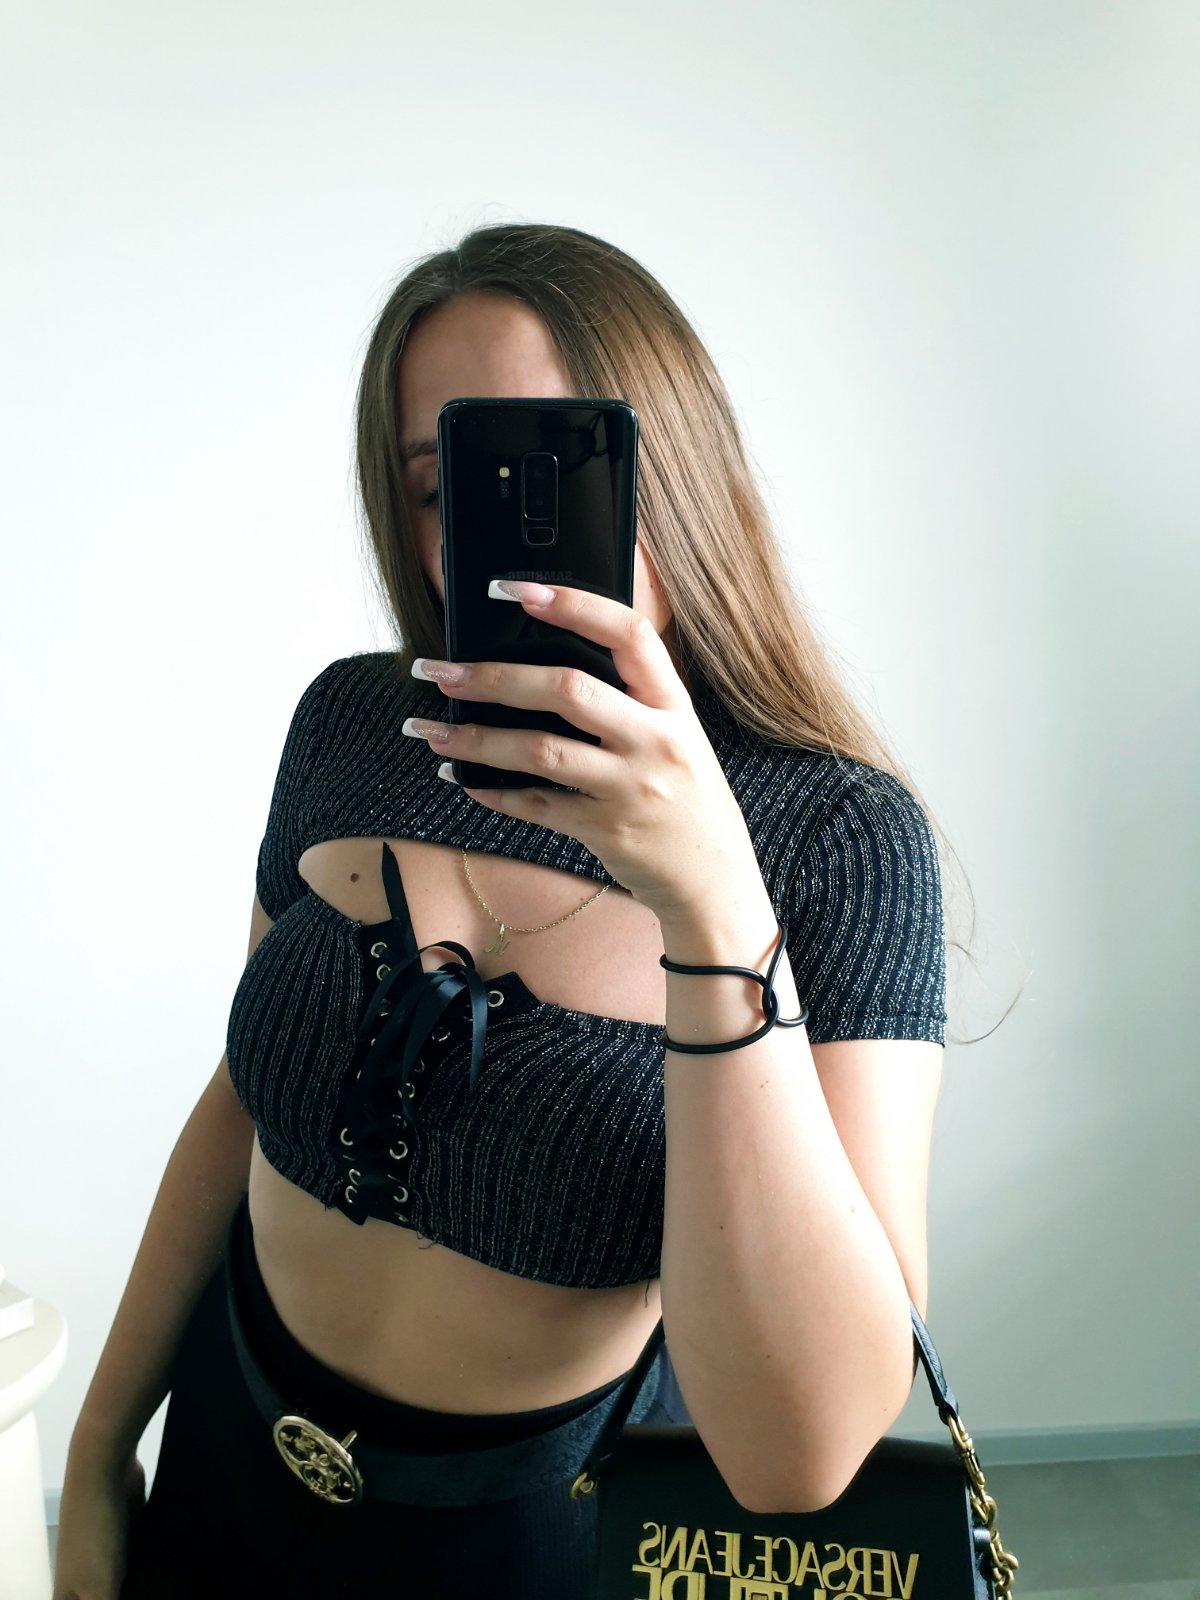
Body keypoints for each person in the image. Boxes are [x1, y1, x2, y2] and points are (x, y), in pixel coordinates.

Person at [53, 223, 946, 1600]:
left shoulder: (835, 834)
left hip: (541, 1542)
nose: (501, 537)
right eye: (446, 486)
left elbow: (803, 1456)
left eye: (553, 473)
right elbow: (242, 1107)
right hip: (225, 1472)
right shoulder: (353, 722)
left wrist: (712, 903)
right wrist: (98, 1451)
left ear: (669, 467)